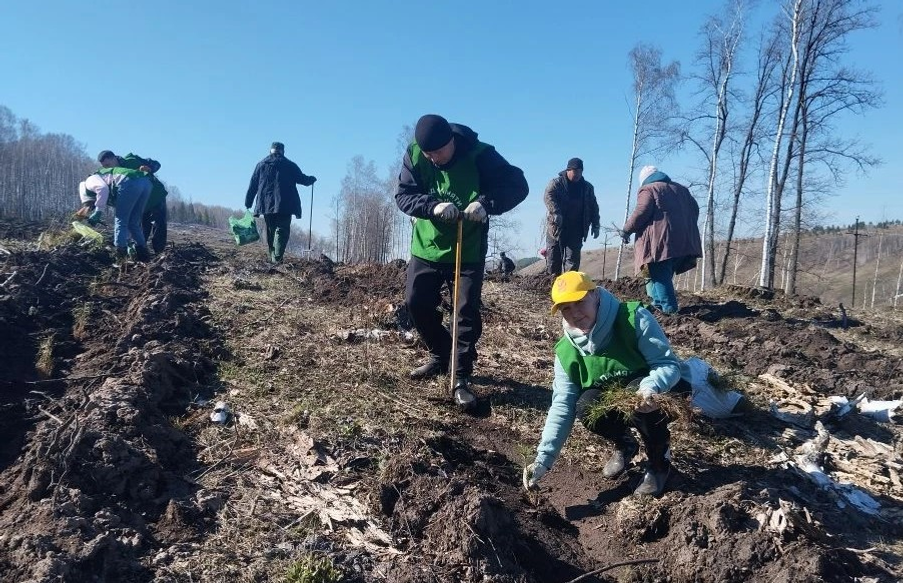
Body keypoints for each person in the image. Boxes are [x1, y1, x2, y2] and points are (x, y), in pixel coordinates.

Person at [395, 114, 528, 411]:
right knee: (416, 303)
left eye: (439, 152)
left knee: (465, 311)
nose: (434, 159)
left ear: (452, 142)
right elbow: (404, 196)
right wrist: (432, 206)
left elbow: (518, 186)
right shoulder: (415, 154)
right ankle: (441, 355)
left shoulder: (481, 155)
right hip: (427, 245)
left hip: (467, 247)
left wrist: (486, 203)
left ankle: (460, 376)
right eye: (429, 154)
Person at [523, 271, 690, 497]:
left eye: (579, 302)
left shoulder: (632, 318)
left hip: (657, 393)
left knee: (636, 395)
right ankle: (625, 444)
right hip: (617, 401)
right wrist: (543, 460)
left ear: (595, 295)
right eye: (566, 308)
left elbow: (667, 364)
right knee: (586, 405)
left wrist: (650, 386)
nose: (575, 313)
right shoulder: (566, 352)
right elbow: (562, 405)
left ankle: (659, 463)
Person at [620, 165, 701, 314]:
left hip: (661, 240)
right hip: (684, 240)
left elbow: (642, 211)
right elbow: (695, 209)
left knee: (660, 272)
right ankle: (658, 304)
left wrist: (627, 230)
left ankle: (669, 309)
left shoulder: (649, 189)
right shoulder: (681, 189)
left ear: (644, 180)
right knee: (661, 274)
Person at [244, 142, 316, 263]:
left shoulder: (261, 165)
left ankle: (274, 258)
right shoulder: (289, 165)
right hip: (285, 205)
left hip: (266, 205)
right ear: (283, 151)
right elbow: (302, 179)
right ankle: (277, 259)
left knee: (271, 231)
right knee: (282, 230)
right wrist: (311, 179)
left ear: (270, 151)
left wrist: (248, 202)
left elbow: (253, 185)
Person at [98, 150, 169, 254]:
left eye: (108, 165)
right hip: (140, 202)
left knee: (159, 224)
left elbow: (156, 164)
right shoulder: (111, 174)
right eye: (105, 167)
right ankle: (142, 253)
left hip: (155, 196)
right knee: (142, 227)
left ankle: (159, 253)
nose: (108, 169)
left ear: (114, 158)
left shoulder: (132, 160)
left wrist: (149, 168)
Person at [78, 166, 152, 262]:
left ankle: (120, 256)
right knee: (133, 222)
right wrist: (129, 242)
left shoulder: (89, 181)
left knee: (120, 219)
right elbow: (127, 222)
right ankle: (143, 255)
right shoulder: (109, 184)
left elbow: (102, 189)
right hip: (146, 182)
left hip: (128, 181)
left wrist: (98, 211)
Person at [543, 158, 600, 274]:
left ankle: (569, 289)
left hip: (576, 230)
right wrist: (556, 212)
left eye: (580, 171)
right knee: (554, 262)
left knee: (572, 264)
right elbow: (548, 196)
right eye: (575, 171)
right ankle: (552, 287)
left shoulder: (587, 188)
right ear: (568, 170)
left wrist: (596, 225)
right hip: (557, 229)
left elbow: (594, 206)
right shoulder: (556, 184)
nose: (577, 175)